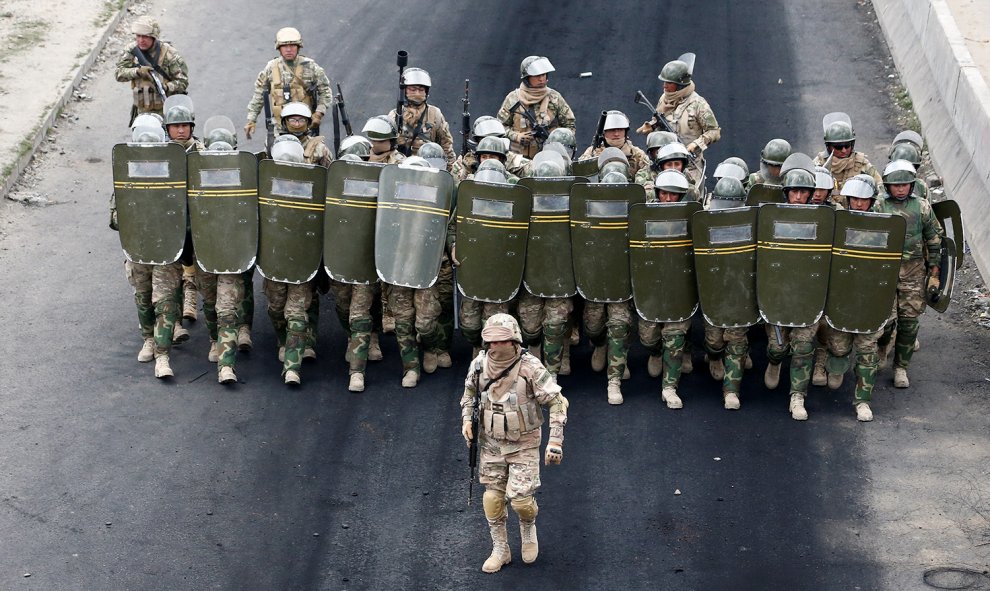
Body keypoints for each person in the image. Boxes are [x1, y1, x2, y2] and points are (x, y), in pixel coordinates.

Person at [460, 314, 568, 573]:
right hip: (491, 444)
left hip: (523, 443)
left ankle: (528, 529)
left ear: (514, 340)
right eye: (490, 342)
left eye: (501, 342)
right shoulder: (479, 365)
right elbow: (469, 396)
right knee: (493, 499)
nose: (494, 347)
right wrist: (466, 421)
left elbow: (556, 401)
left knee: (521, 501)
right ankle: (501, 549)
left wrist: (555, 440)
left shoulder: (529, 367)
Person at [824, 175, 891, 421]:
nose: (859, 204)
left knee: (867, 352)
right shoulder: (837, 222)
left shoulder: (884, 225)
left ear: (871, 200)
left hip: (870, 296)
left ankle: (862, 401)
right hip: (843, 294)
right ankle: (837, 361)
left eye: (864, 200)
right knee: (839, 346)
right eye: (855, 199)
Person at [874, 160, 944, 388]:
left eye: (905, 184)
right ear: (887, 186)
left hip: (913, 272)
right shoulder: (878, 207)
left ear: (911, 185)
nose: (901, 188)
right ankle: (882, 348)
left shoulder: (922, 207)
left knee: (909, 324)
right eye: (896, 185)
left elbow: (934, 240)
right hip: (885, 271)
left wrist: (934, 272)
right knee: (885, 322)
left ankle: (901, 368)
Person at [763, 166, 824, 420]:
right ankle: (775, 362)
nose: (799, 197)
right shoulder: (772, 218)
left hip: (808, 294)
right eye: (794, 192)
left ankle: (797, 397)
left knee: (803, 347)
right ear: (786, 192)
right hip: (778, 294)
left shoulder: (823, 219)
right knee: (778, 347)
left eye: (804, 192)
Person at [639, 170, 695, 408]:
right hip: (651, 289)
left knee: (675, 339)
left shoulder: (692, 218)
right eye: (664, 194)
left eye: (674, 195)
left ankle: (669, 387)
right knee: (648, 337)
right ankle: (655, 352)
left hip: (678, 288)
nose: (668, 199)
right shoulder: (644, 216)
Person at [702, 176, 753, 410]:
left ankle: (731, 390)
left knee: (737, 341)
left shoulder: (751, 221)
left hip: (739, 290)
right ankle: (713, 357)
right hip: (714, 290)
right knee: (714, 340)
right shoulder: (705, 219)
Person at [635, 56, 720, 187]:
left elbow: (714, 131)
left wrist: (696, 144)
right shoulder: (665, 99)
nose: (665, 86)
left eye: (669, 83)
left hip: (690, 166)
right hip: (665, 163)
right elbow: (659, 118)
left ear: (680, 84)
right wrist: (651, 126)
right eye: (664, 82)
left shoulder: (698, 104)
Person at [244, 27, 332, 139]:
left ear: (298, 47)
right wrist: (251, 120)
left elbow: (325, 92)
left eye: (292, 46)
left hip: (305, 128)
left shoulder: (310, 67)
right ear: (279, 48)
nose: (289, 49)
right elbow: (259, 95)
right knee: (273, 154)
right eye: (285, 46)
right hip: (279, 128)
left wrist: (318, 114)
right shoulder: (271, 68)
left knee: (313, 154)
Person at [497, 56, 576, 158]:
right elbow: (499, 127)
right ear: (527, 78)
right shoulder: (513, 99)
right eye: (537, 75)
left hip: (549, 158)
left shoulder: (554, 98)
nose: (541, 78)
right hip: (518, 161)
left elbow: (570, 127)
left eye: (543, 74)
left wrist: (555, 140)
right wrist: (516, 136)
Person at [115, 16, 189, 124]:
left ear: (154, 37)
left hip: (167, 110)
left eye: (145, 36)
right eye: (138, 36)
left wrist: (166, 87)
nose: (141, 40)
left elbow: (182, 82)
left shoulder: (170, 55)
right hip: (142, 111)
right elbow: (119, 74)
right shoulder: (131, 51)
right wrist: (137, 72)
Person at [387, 67, 456, 166]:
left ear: (426, 92)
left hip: (429, 168)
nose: (417, 93)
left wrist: (450, 172)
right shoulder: (395, 115)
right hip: (400, 167)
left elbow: (446, 146)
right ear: (405, 91)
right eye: (413, 89)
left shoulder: (435, 114)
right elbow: (384, 147)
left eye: (421, 90)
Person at [813, 116, 882, 207]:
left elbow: (880, 188)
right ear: (828, 146)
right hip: (827, 212)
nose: (844, 150)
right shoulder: (818, 165)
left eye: (847, 145)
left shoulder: (862, 163)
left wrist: (872, 205)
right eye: (838, 147)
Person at [578, 110, 650, 179]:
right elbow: (581, 175)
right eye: (612, 130)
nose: (616, 134)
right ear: (604, 133)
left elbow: (646, 180)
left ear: (625, 132)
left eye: (620, 130)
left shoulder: (637, 154)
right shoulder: (592, 152)